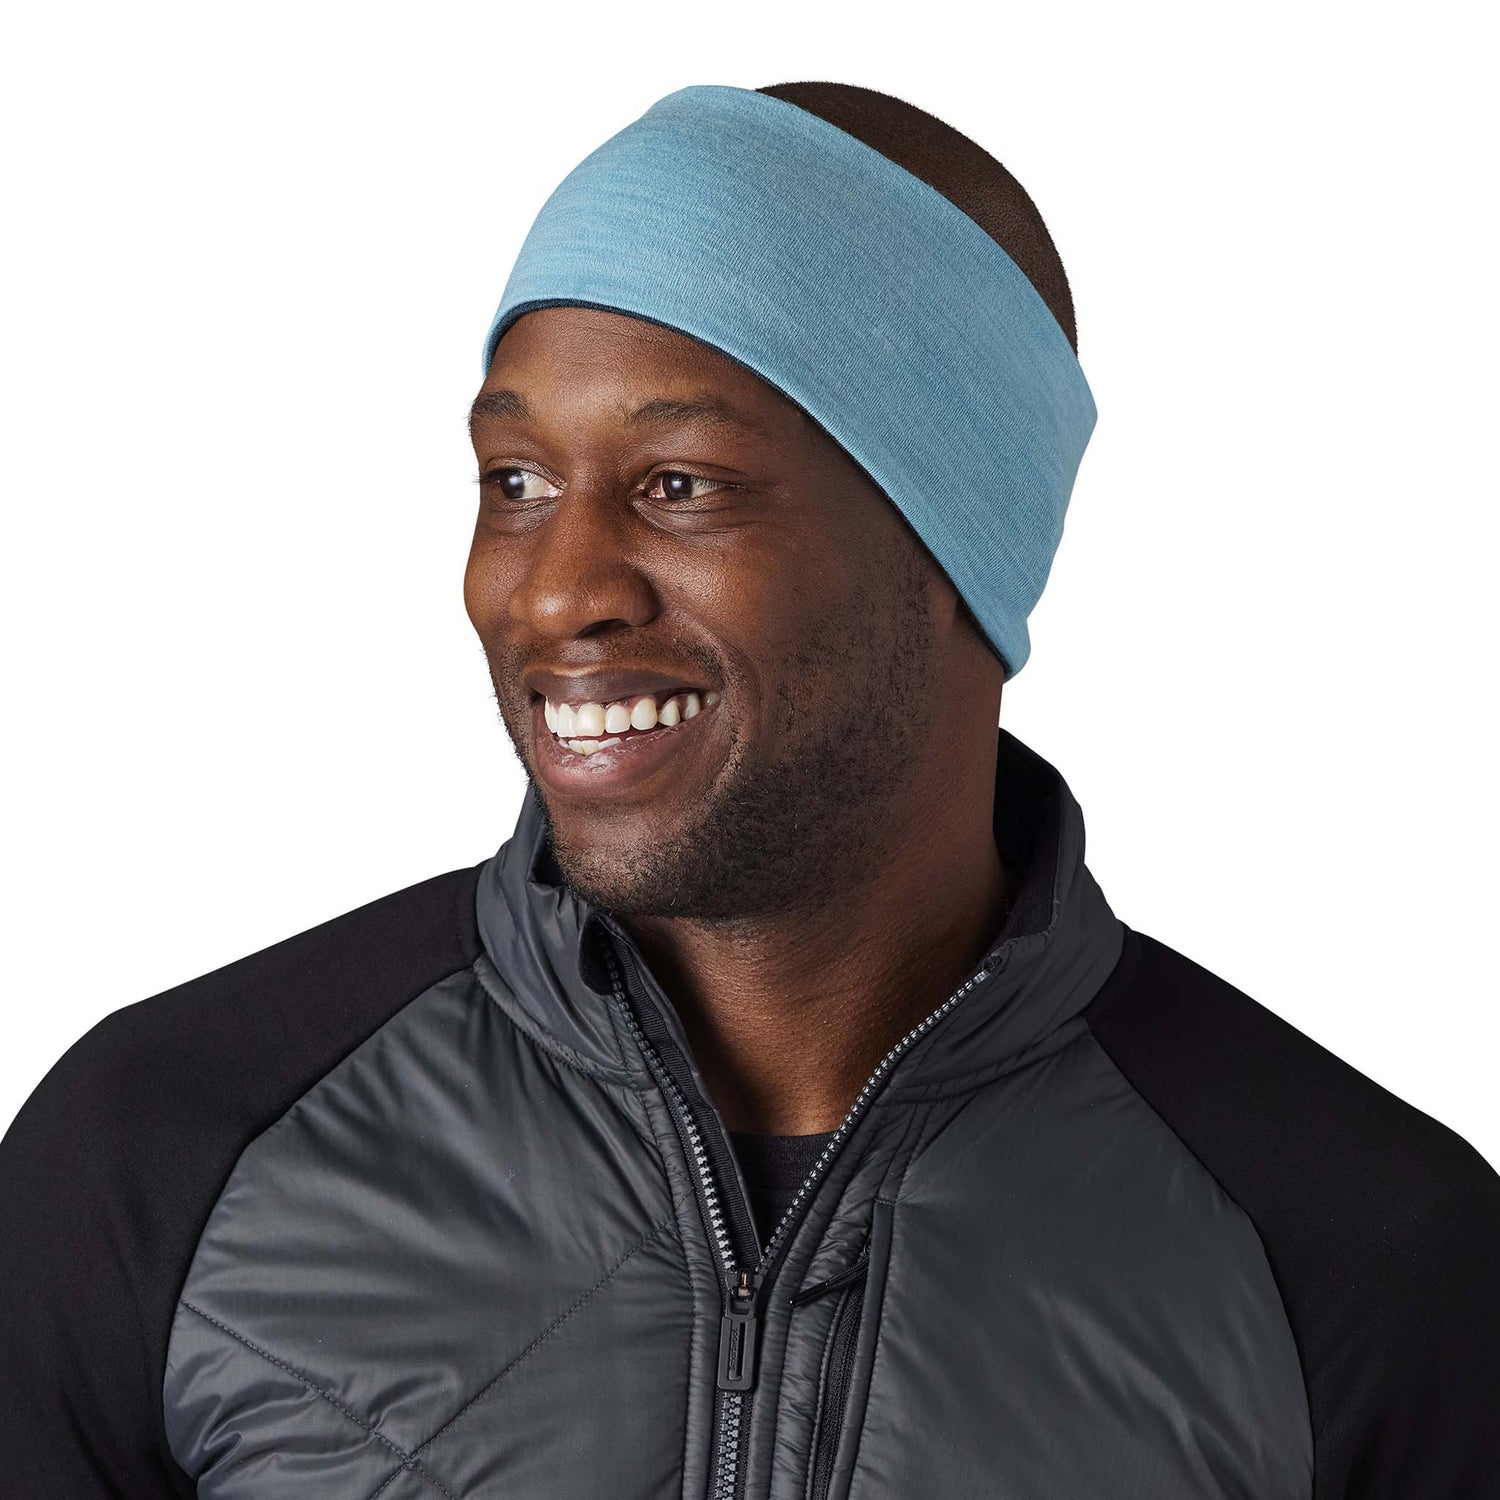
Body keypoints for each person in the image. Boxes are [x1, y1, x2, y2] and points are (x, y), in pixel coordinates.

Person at [2, 79, 1496, 1500]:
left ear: (953, 545)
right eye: (516, 482)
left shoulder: (1356, 1255)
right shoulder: (165, 1151)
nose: (553, 593)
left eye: (681, 485)